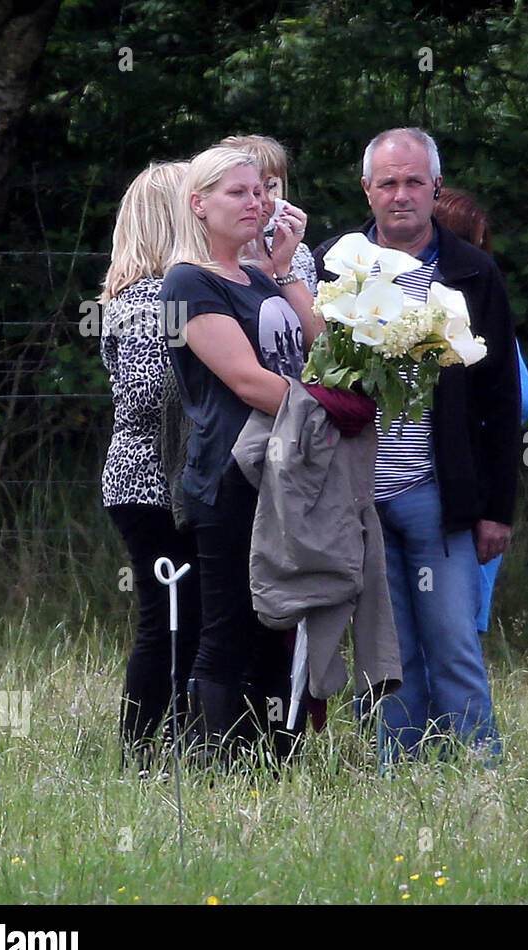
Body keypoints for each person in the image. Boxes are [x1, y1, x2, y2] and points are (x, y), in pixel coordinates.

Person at [313, 128, 521, 762]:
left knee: (453, 639)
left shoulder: (472, 271)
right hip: (359, 498)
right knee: (385, 649)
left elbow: (501, 400)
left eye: (412, 182)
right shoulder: (333, 266)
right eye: (387, 183)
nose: (400, 196)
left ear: (435, 187)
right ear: (366, 190)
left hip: (439, 492)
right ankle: (394, 775)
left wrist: (495, 509)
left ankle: (479, 772)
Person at [159, 144, 321, 762]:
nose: (256, 202)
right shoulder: (185, 281)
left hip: (281, 471)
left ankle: (271, 764)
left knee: (275, 625)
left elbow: (324, 349)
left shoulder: (257, 277)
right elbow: (248, 380)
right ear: (198, 205)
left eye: (260, 191)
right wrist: (330, 410)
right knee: (227, 625)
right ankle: (218, 766)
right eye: (238, 193)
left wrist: (284, 271)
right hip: (228, 474)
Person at [99, 160, 199, 770]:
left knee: (183, 616)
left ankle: (170, 744)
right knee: (169, 618)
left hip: (157, 478)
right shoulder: (146, 299)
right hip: (151, 482)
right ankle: (141, 752)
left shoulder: (153, 293)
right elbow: (144, 389)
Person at [431, 187, 528, 634]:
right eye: (465, 242)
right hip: (438, 488)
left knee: (462, 629)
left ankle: (461, 707)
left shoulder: (485, 310)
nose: (475, 257)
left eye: (480, 244)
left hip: (481, 484)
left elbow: (521, 399)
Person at [218, 134, 318, 294]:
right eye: (240, 191)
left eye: (270, 186)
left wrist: (284, 269)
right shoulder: (196, 267)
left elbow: (314, 320)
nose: (261, 200)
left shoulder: (298, 255)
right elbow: (174, 318)